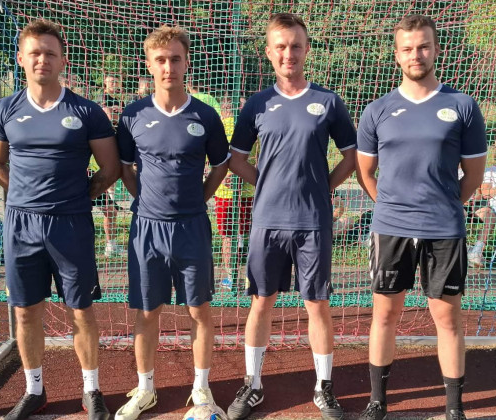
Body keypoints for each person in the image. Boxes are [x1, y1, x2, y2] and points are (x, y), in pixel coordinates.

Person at [0, 19, 119, 420]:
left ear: (63, 61)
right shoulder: (4, 109)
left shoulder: (87, 111)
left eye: (50, 53)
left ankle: (91, 390)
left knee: (81, 309)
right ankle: (34, 389)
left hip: (71, 223)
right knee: (26, 310)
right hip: (21, 224)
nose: (42, 59)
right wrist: (24, 195)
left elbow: (110, 169)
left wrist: (77, 197)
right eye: (35, 53)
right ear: (21, 59)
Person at [355, 14, 487, 420]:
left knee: (447, 319)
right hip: (391, 228)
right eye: (408, 48)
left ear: (435, 50)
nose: (417, 54)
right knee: (385, 315)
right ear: (397, 55)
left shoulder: (462, 106)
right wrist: (391, 206)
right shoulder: (377, 110)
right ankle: (378, 401)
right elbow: (365, 173)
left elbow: (474, 175)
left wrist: (443, 206)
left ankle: (454, 408)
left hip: (444, 228)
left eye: (424, 46)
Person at [226, 13, 357, 420]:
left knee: (316, 303)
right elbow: (236, 159)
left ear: (306, 50)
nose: (288, 53)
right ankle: (253, 384)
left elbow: (351, 157)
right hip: (267, 220)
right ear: (269, 52)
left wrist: (323, 187)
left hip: (312, 221)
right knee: (261, 301)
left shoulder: (328, 102)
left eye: (296, 46)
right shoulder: (257, 104)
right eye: (280, 46)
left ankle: (324, 387)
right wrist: (266, 183)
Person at [113, 25, 230, 420]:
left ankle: (201, 388)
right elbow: (125, 168)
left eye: (175, 59)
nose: (168, 67)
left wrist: (200, 199)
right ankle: (146, 389)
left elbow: (221, 165)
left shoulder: (205, 115)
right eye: (160, 60)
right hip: (147, 228)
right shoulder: (133, 114)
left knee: (199, 311)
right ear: (149, 65)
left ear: (186, 62)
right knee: (147, 312)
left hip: (192, 226)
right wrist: (145, 201)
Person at [213, 98, 255, 287]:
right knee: (247, 235)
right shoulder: (252, 127)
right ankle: (249, 276)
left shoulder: (220, 126)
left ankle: (231, 277)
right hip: (246, 190)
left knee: (228, 236)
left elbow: (212, 158)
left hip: (225, 192)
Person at [95, 73, 126, 257]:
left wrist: (118, 113)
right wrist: (115, 113)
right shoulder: (102, 98)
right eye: (111, 82)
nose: (115, 84)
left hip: (111, 149)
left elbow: (120, 118)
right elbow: (109, 115)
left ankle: (111, 246)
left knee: (110, 209)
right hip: (91, 167)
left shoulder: (119, 100)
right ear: (105, 84)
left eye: (117, 81)